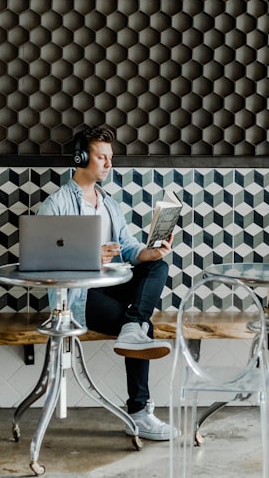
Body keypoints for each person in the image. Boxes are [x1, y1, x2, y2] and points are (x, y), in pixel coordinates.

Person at [36, 124, 178, 441]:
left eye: (110, 157)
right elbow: (41, 258)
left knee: (158, 267)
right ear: (81, 156)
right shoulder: (56, 204)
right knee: (145, 330)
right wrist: (89, 256)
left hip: (112, 284)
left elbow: (128, 248)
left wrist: (150, 252)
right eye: (102, 157)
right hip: (78, 296)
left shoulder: (110, 203)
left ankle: (132, 325)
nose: (109, 165)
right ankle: (140, 413)